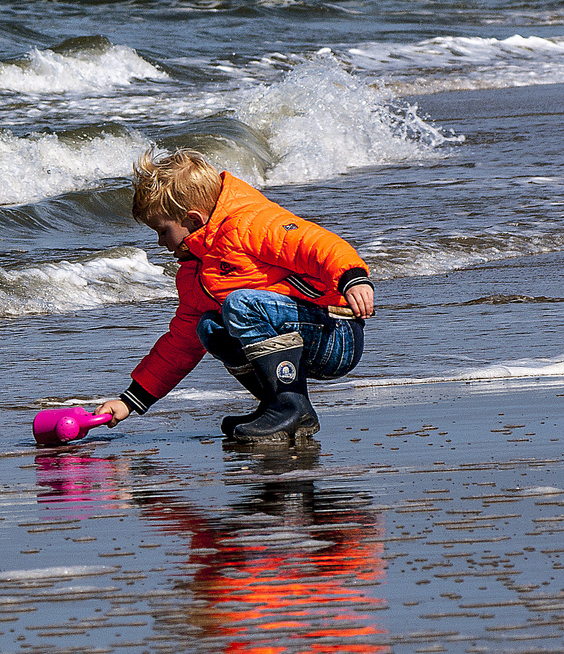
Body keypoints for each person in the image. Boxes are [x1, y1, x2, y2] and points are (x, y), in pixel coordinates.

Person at [96, 148, 374, 445]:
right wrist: (131, 400)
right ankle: (281, 406)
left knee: (240, 305)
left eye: (163, 231)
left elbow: (312, 244)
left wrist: (353, 279)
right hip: (300, 339)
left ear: (192, 219)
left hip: (334, 331)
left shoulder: (250, 223)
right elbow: (180, 345)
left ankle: (290, 405)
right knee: (208, 327)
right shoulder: (196, 272)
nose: (160, 242)